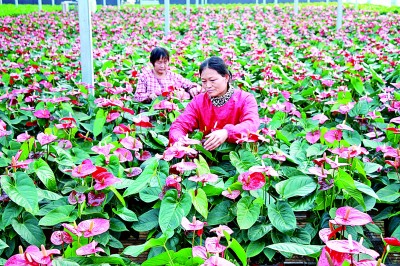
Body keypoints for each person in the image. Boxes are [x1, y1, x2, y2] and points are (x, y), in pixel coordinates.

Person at [169, 56, 260, 151]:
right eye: (204, 81)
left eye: (212, 80)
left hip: (235, 154)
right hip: (205, 155)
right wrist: (179, 141)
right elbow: (179, 125)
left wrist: (227, 132)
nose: (208, 86)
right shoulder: (198, 101)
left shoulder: (245, 99)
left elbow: (252, 123)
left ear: (226, 77)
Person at [133, 47, 202, 103]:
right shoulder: (145, 77)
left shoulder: (173, 76)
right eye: (159, 63)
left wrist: (192, 89)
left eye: (165, 62)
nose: (162, 66)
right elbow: (137, 97)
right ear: (152, 62)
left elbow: (189, 85)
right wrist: (149, 96)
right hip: (152, 113)